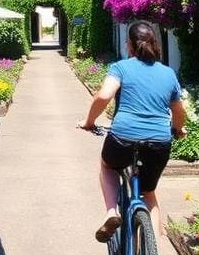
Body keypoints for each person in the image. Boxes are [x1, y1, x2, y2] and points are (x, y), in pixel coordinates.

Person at [77, 21, 185, 242]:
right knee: (148, 194)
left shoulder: (121, 68)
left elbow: (104, 96)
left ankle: (111, 212)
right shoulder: (168, 73)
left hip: (123, 137)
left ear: (129, 46)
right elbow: (178, 110)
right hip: (158, 142)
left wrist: (89, 121)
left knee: (107, 166)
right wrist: (177, 129)